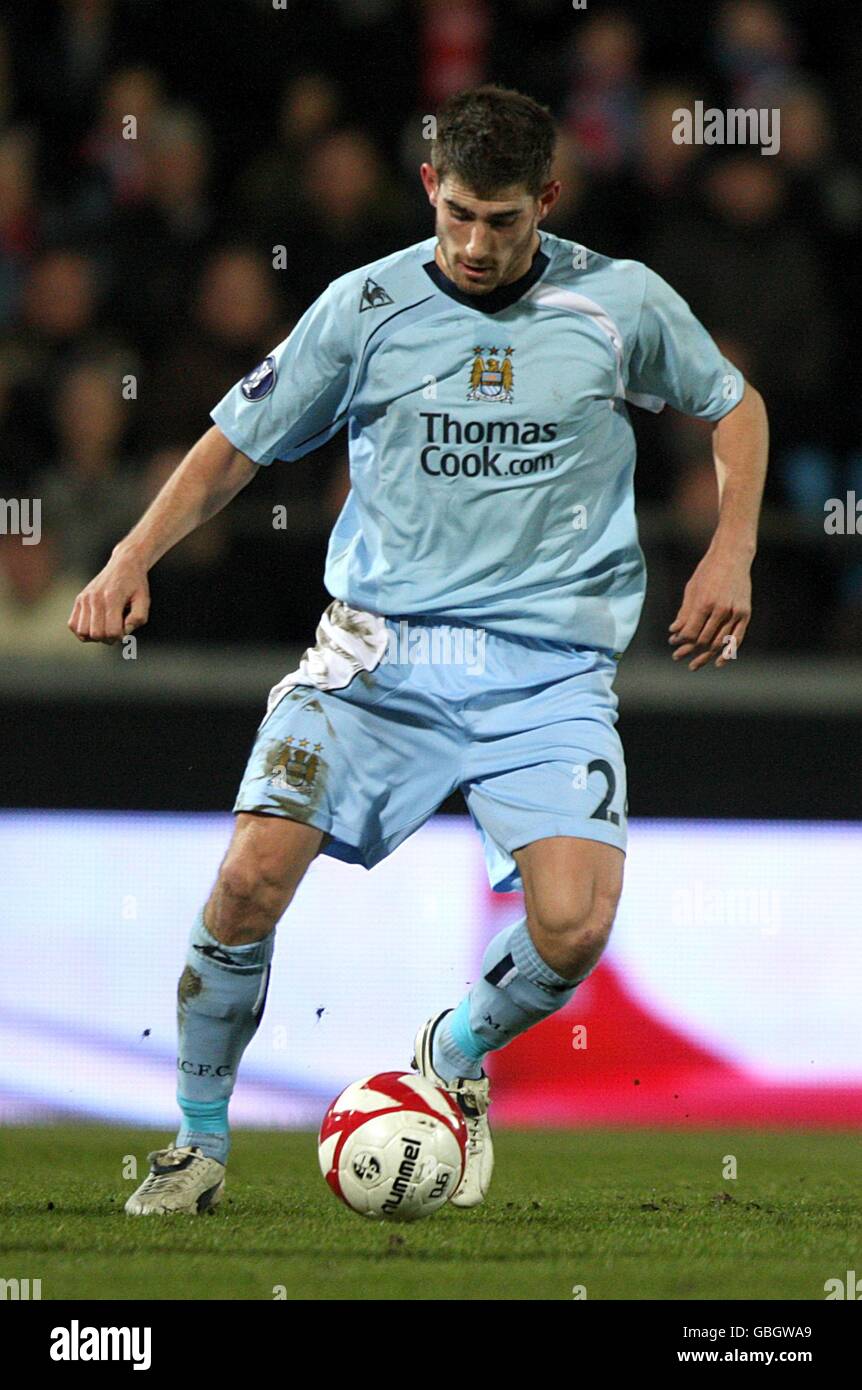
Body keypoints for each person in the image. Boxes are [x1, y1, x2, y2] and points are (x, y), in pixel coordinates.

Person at [69, 85, 768, 1216]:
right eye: (456, 216)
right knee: (248, 879)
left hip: (544, 670)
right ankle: (196, 1145)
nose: (476, 245)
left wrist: (729, 550)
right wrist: (126, 557)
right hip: (374, 659)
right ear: (429, 190)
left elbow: (734, 408)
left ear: (546, 198)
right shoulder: (368, 305)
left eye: (501, 220)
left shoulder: (618, 302)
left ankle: (450, 1052)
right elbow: (233, 444)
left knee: (575, 922)